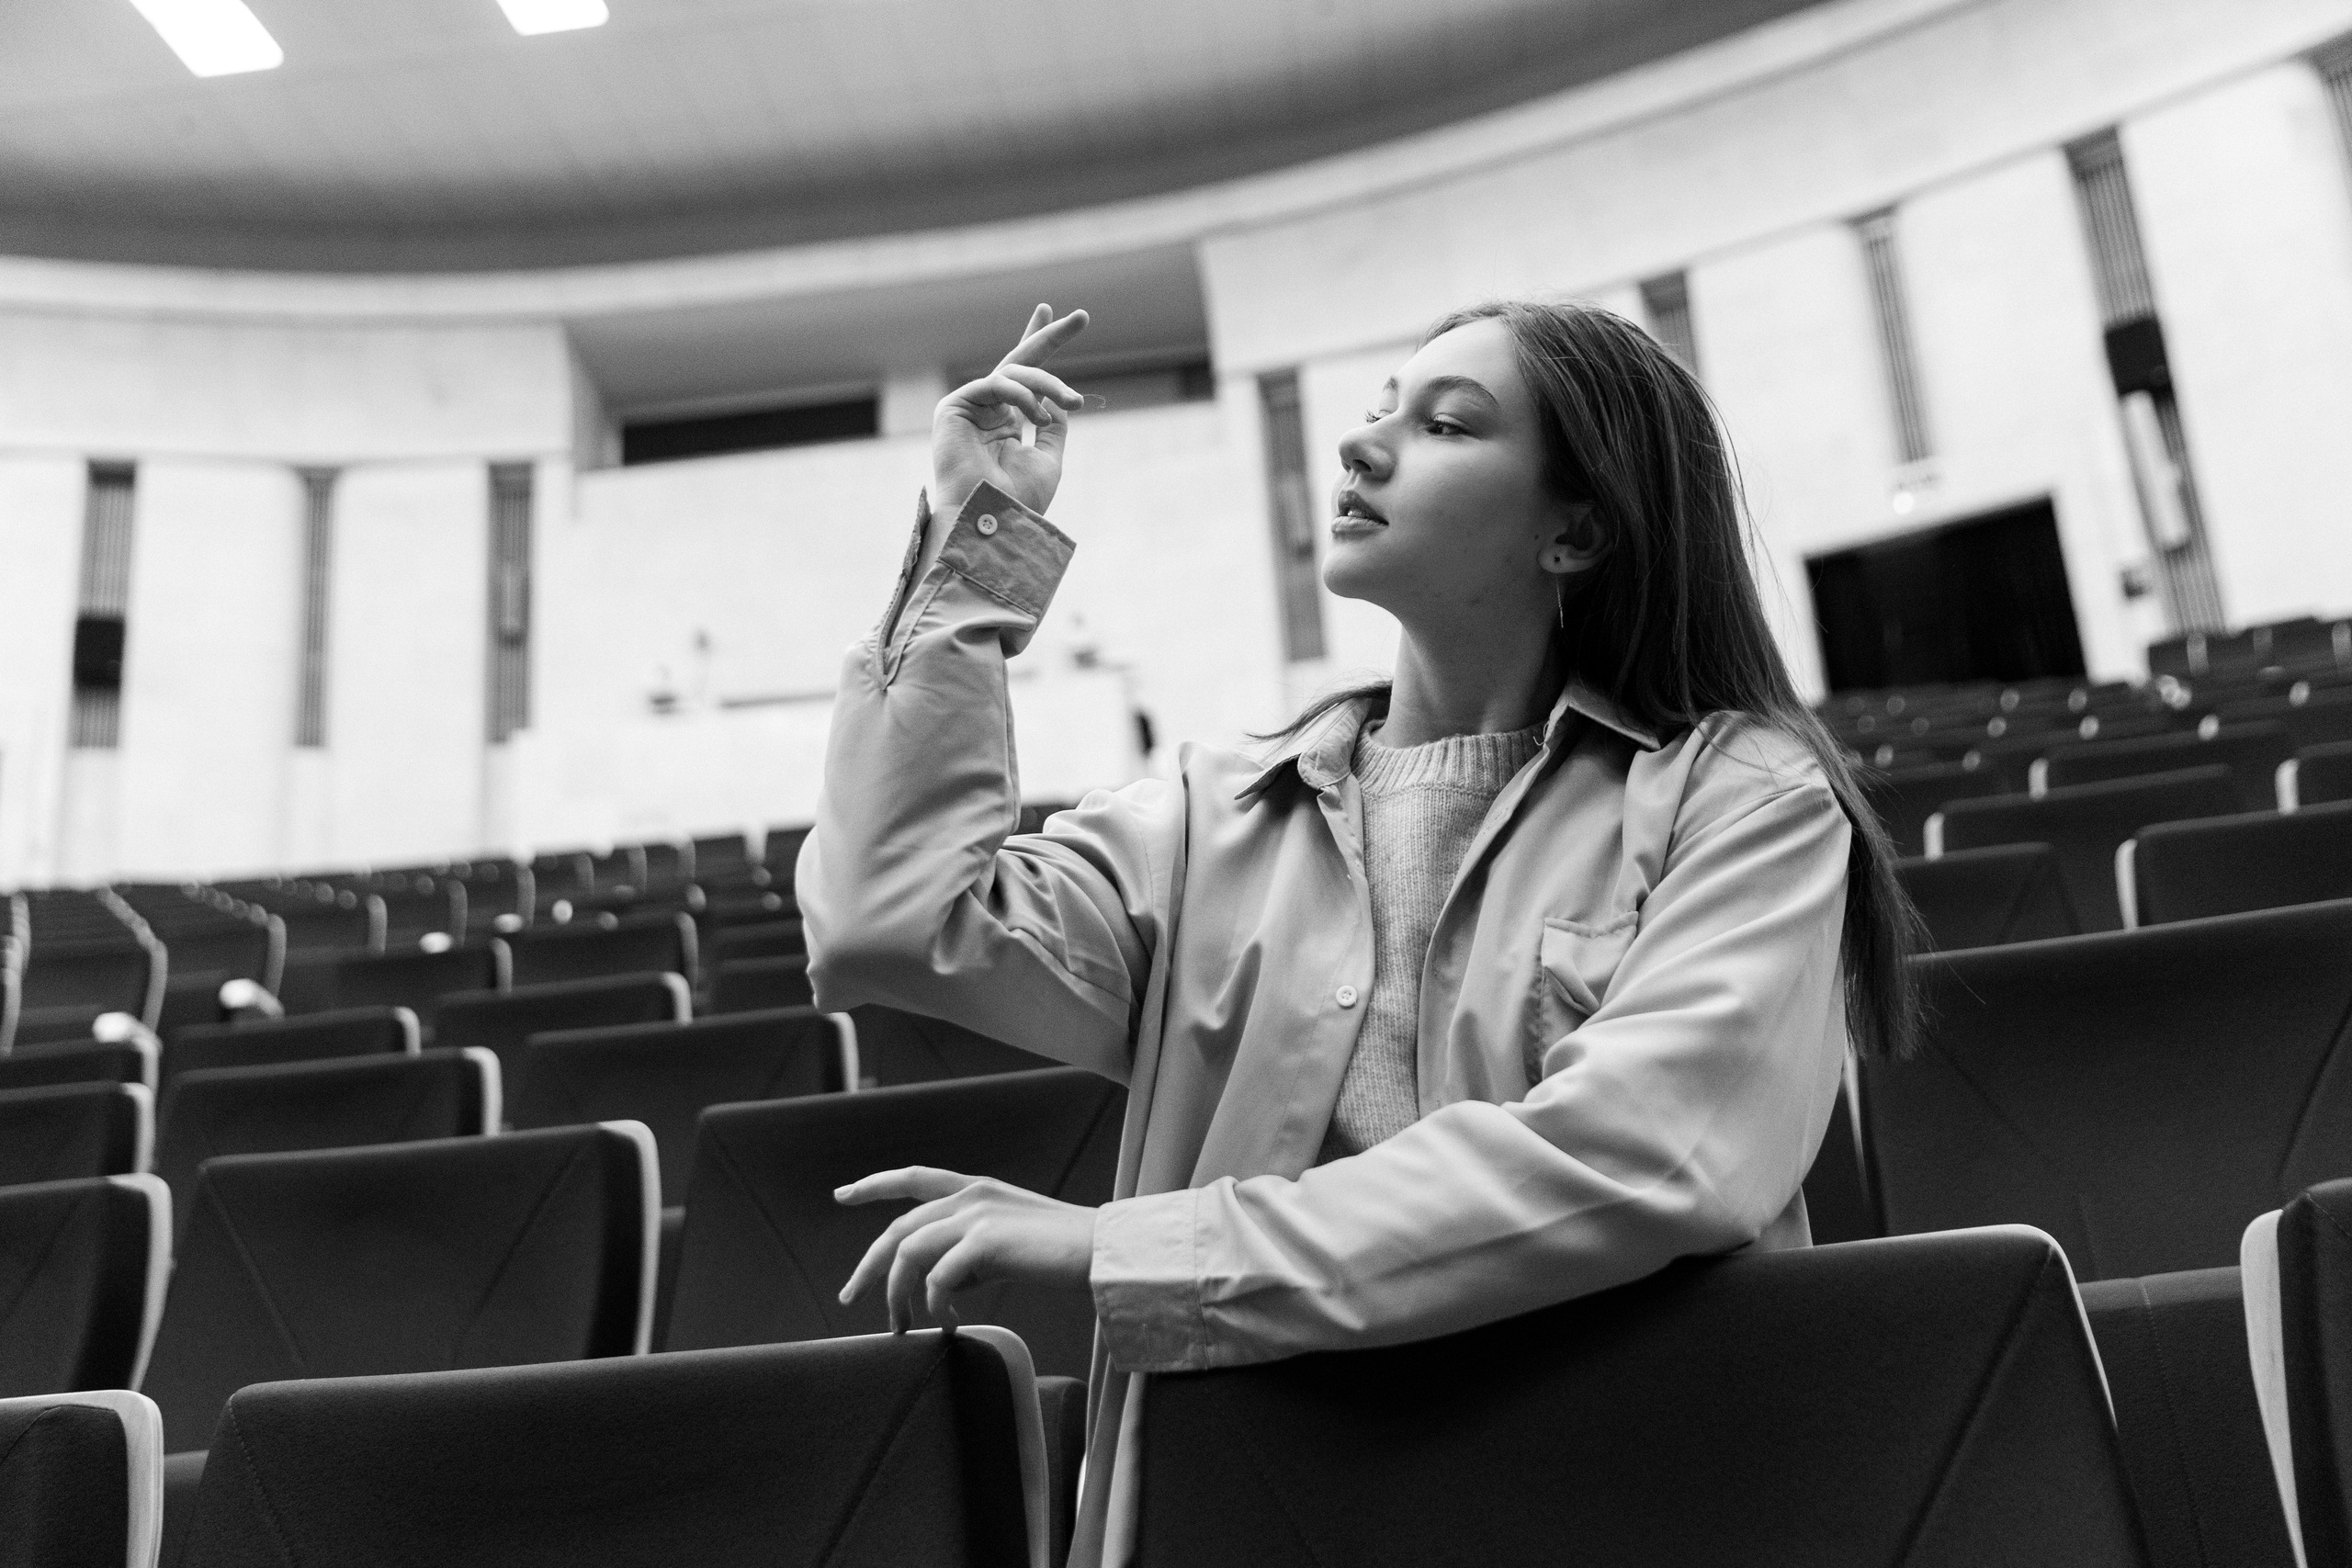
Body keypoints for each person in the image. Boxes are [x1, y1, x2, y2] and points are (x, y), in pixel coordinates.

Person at [801, 298, 1921, 1566]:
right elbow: (891, 921)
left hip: (1609, 1506)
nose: (1360, 446)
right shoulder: (1208, 816)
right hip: (1233, 1511)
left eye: (1446, 424)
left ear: (1579, 529)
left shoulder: (1745, 797)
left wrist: (1130, 1247)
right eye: (1379, 408)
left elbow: (1650, 1155)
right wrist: (979, 550)